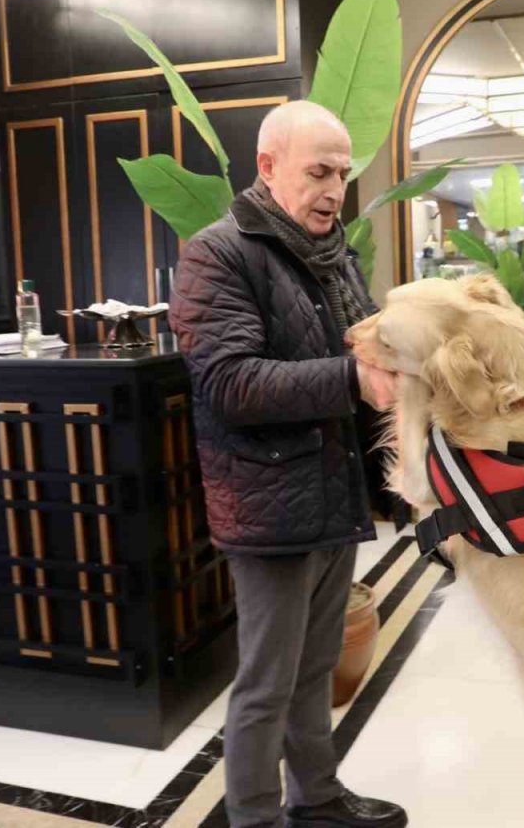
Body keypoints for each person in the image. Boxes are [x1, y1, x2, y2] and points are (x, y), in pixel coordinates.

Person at [169, 100, 407, 828]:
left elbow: (368, 347)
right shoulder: (218, 253)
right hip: (268, 500)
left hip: (332, 494)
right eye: (319, 172)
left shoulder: (334, 254)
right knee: (267, 684)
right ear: (268, 167)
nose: (335, 188)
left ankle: (319, 797)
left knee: (315, 669)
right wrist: (351, 379)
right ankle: (254, 816)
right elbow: (231, 382)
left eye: (342, 172)